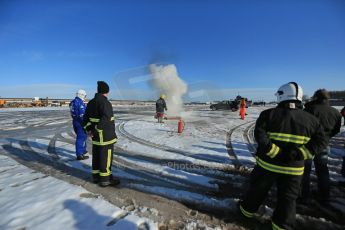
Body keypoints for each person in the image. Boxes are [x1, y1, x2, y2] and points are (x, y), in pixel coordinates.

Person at [238, 82, 327, 230]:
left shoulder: (268, 114)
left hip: (267, 166)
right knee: (288, 199)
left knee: (257, 191)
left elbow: (260, 135)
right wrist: (300, 153)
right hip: (294, 170)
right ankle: (281, 225)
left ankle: (245, 212)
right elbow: (322, 141)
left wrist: (274, 152)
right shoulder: (312, 120)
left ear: (282, 95)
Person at [300, 89, 341, 203]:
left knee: (305, 170)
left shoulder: (309, 109)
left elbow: (303, 126)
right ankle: (324, 195)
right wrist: (326, 137)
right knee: (322, 169)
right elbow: (336, 129)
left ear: (315, 97)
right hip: (324, 144)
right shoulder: (335, 112)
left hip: (308, 144)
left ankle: (304, 195)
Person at [83, 81, 119, 187]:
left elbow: (85, 119)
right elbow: (106, 118)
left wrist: (89, 130)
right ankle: (105, 179)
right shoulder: (105, 103)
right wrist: (96, 130)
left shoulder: (91, 102)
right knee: (106, 158)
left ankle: (96, 176)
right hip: (105, 136)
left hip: (95, 136)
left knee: (97, 156)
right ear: (106, 91)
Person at [70, 89, 89, 160]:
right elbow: (82, 115)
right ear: (81, 95)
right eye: (84, 96)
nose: (85, 97)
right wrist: (86, 123)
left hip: (75, 121)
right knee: (81, 138)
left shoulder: (73, 102)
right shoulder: (79, 103)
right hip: (80, 122)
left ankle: (83, 150)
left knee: (83, 137)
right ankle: (79, 154)